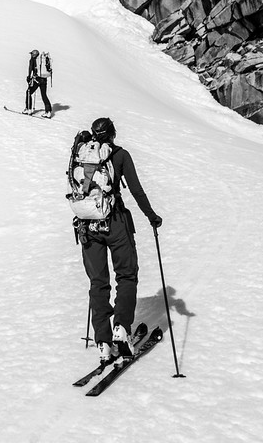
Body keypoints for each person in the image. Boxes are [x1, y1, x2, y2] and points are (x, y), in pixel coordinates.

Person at [78, 117, 162, 364]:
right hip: (115, 222)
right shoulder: (120, 155)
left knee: (98, 282)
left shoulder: (83, 155)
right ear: (113, 134)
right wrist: (152, 216)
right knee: (126, 275)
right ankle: (121, 329)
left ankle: (102, 342)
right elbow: (136, 190)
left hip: (87, 223)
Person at [24, 49, 52, 118]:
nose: (31, 55)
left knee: (28, 92)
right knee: (44, 95)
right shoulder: (42, 61)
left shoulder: (33, 60)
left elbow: (30, 68)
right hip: (44, 79)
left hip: (37, 79)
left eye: (32, 54)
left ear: (34, 55)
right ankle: (48, 112)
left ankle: (28, 109)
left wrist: (29, 77)